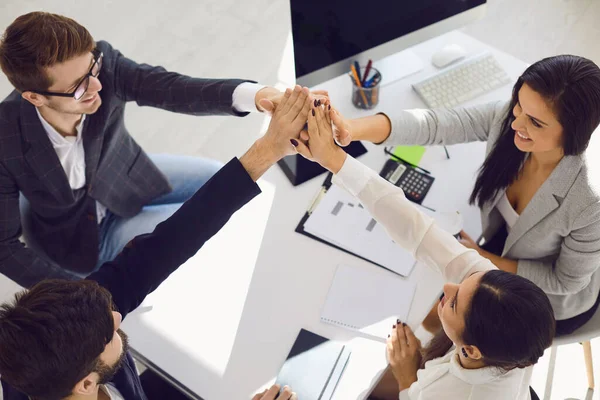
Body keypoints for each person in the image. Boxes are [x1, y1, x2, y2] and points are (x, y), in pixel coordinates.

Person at [0, 86, 312, 400]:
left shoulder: (69, 342)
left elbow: (170, 241)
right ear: (85, 384)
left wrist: (270, 147)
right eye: (111, 330)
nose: (118, 314)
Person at [0, 11, 326, 287]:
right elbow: (5, 247)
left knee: (219, 183)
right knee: (197, 224)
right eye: (79, 87)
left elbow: (174, 88)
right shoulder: (5, 139)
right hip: (82, 239)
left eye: (93, 69)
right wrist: (79, 293)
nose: (97, 86)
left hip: (123, 175)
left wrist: (261, 96)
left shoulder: (102, 67)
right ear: (35, 97)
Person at [292, 104, 555, 399]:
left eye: (453, 303)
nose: (447, 285)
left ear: (470, 349)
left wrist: (407, 378)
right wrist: (336, 160)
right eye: (465, 282)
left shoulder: (451, 393)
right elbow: (418, 229)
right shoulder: (495, 304)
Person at [324, 55, 600, 336]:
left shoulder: (590, 201)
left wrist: (481, 256)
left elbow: (566, 281)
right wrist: (350, 129)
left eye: (535, 123)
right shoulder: (511, 119)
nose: (516, 124)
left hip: (546, 300)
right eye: (518, 104)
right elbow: (436, 124)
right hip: (501, 249)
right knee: (424, 304)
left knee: (432, 320)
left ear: (575, 132)